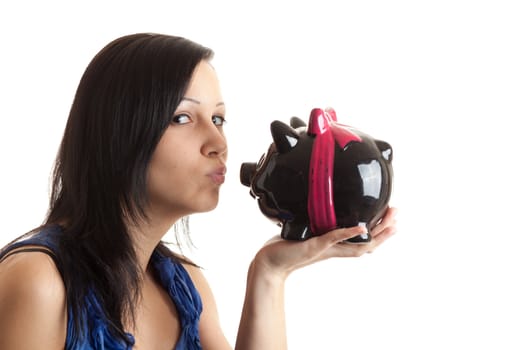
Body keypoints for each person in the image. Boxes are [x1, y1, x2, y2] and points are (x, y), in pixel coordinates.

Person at [0, 33, 397, 350]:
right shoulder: (39, 281)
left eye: (219, 118)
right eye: (183, 117)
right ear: (119, 134)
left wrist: (271, 273)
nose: (218, 142)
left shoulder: (186, 289)